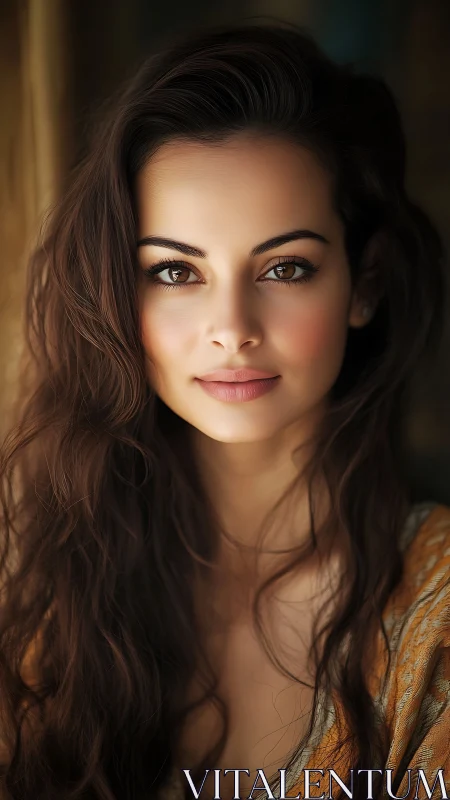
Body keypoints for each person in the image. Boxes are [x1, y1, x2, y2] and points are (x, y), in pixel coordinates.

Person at [0, 19, 449, 800]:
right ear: (115, 291)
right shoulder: (53, 590)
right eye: (176, 272)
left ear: (365, 285)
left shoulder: (438, 616)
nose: (233, 328)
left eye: (285, 268)